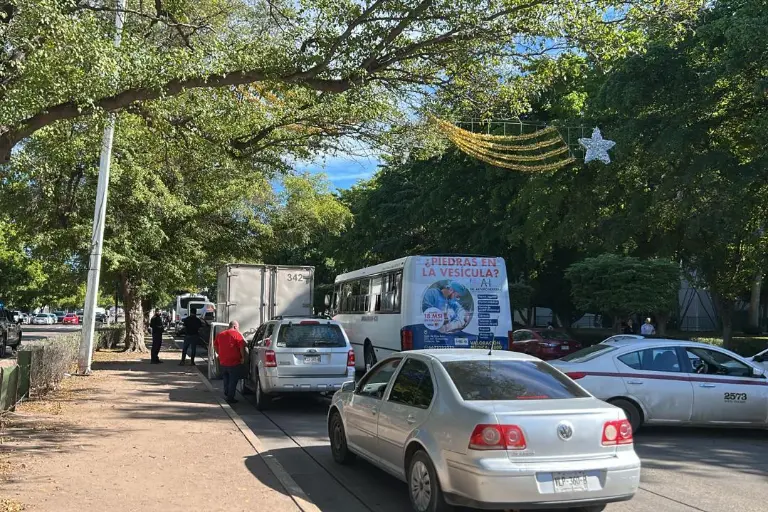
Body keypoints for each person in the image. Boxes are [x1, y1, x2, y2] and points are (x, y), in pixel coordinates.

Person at [214, 321, 246, 404]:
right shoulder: (237, 334)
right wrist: (242, 357)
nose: (238, 329)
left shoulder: (220, 335)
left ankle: (226, 392)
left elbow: (215, 346)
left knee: (226, 377)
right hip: (234, 361)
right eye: (238, 327)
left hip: (223, 361)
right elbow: (241, 347)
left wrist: (219, 354)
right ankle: (230, 397)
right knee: (233, 380)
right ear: (235, 326)